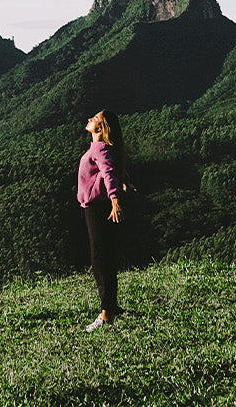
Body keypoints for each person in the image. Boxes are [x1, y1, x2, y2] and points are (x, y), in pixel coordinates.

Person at [77, 110, 128, 331]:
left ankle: (107, 313)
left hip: (97, 208)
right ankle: (111, 306)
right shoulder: (101, 148)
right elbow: (110, 171)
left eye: (95, 119)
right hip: (96, 205)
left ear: (101, 127)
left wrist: (115, 198)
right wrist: (123, 184)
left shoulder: (99, 148)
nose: (90, 119)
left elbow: (107, 172)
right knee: (103, 257)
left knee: (100, 258)